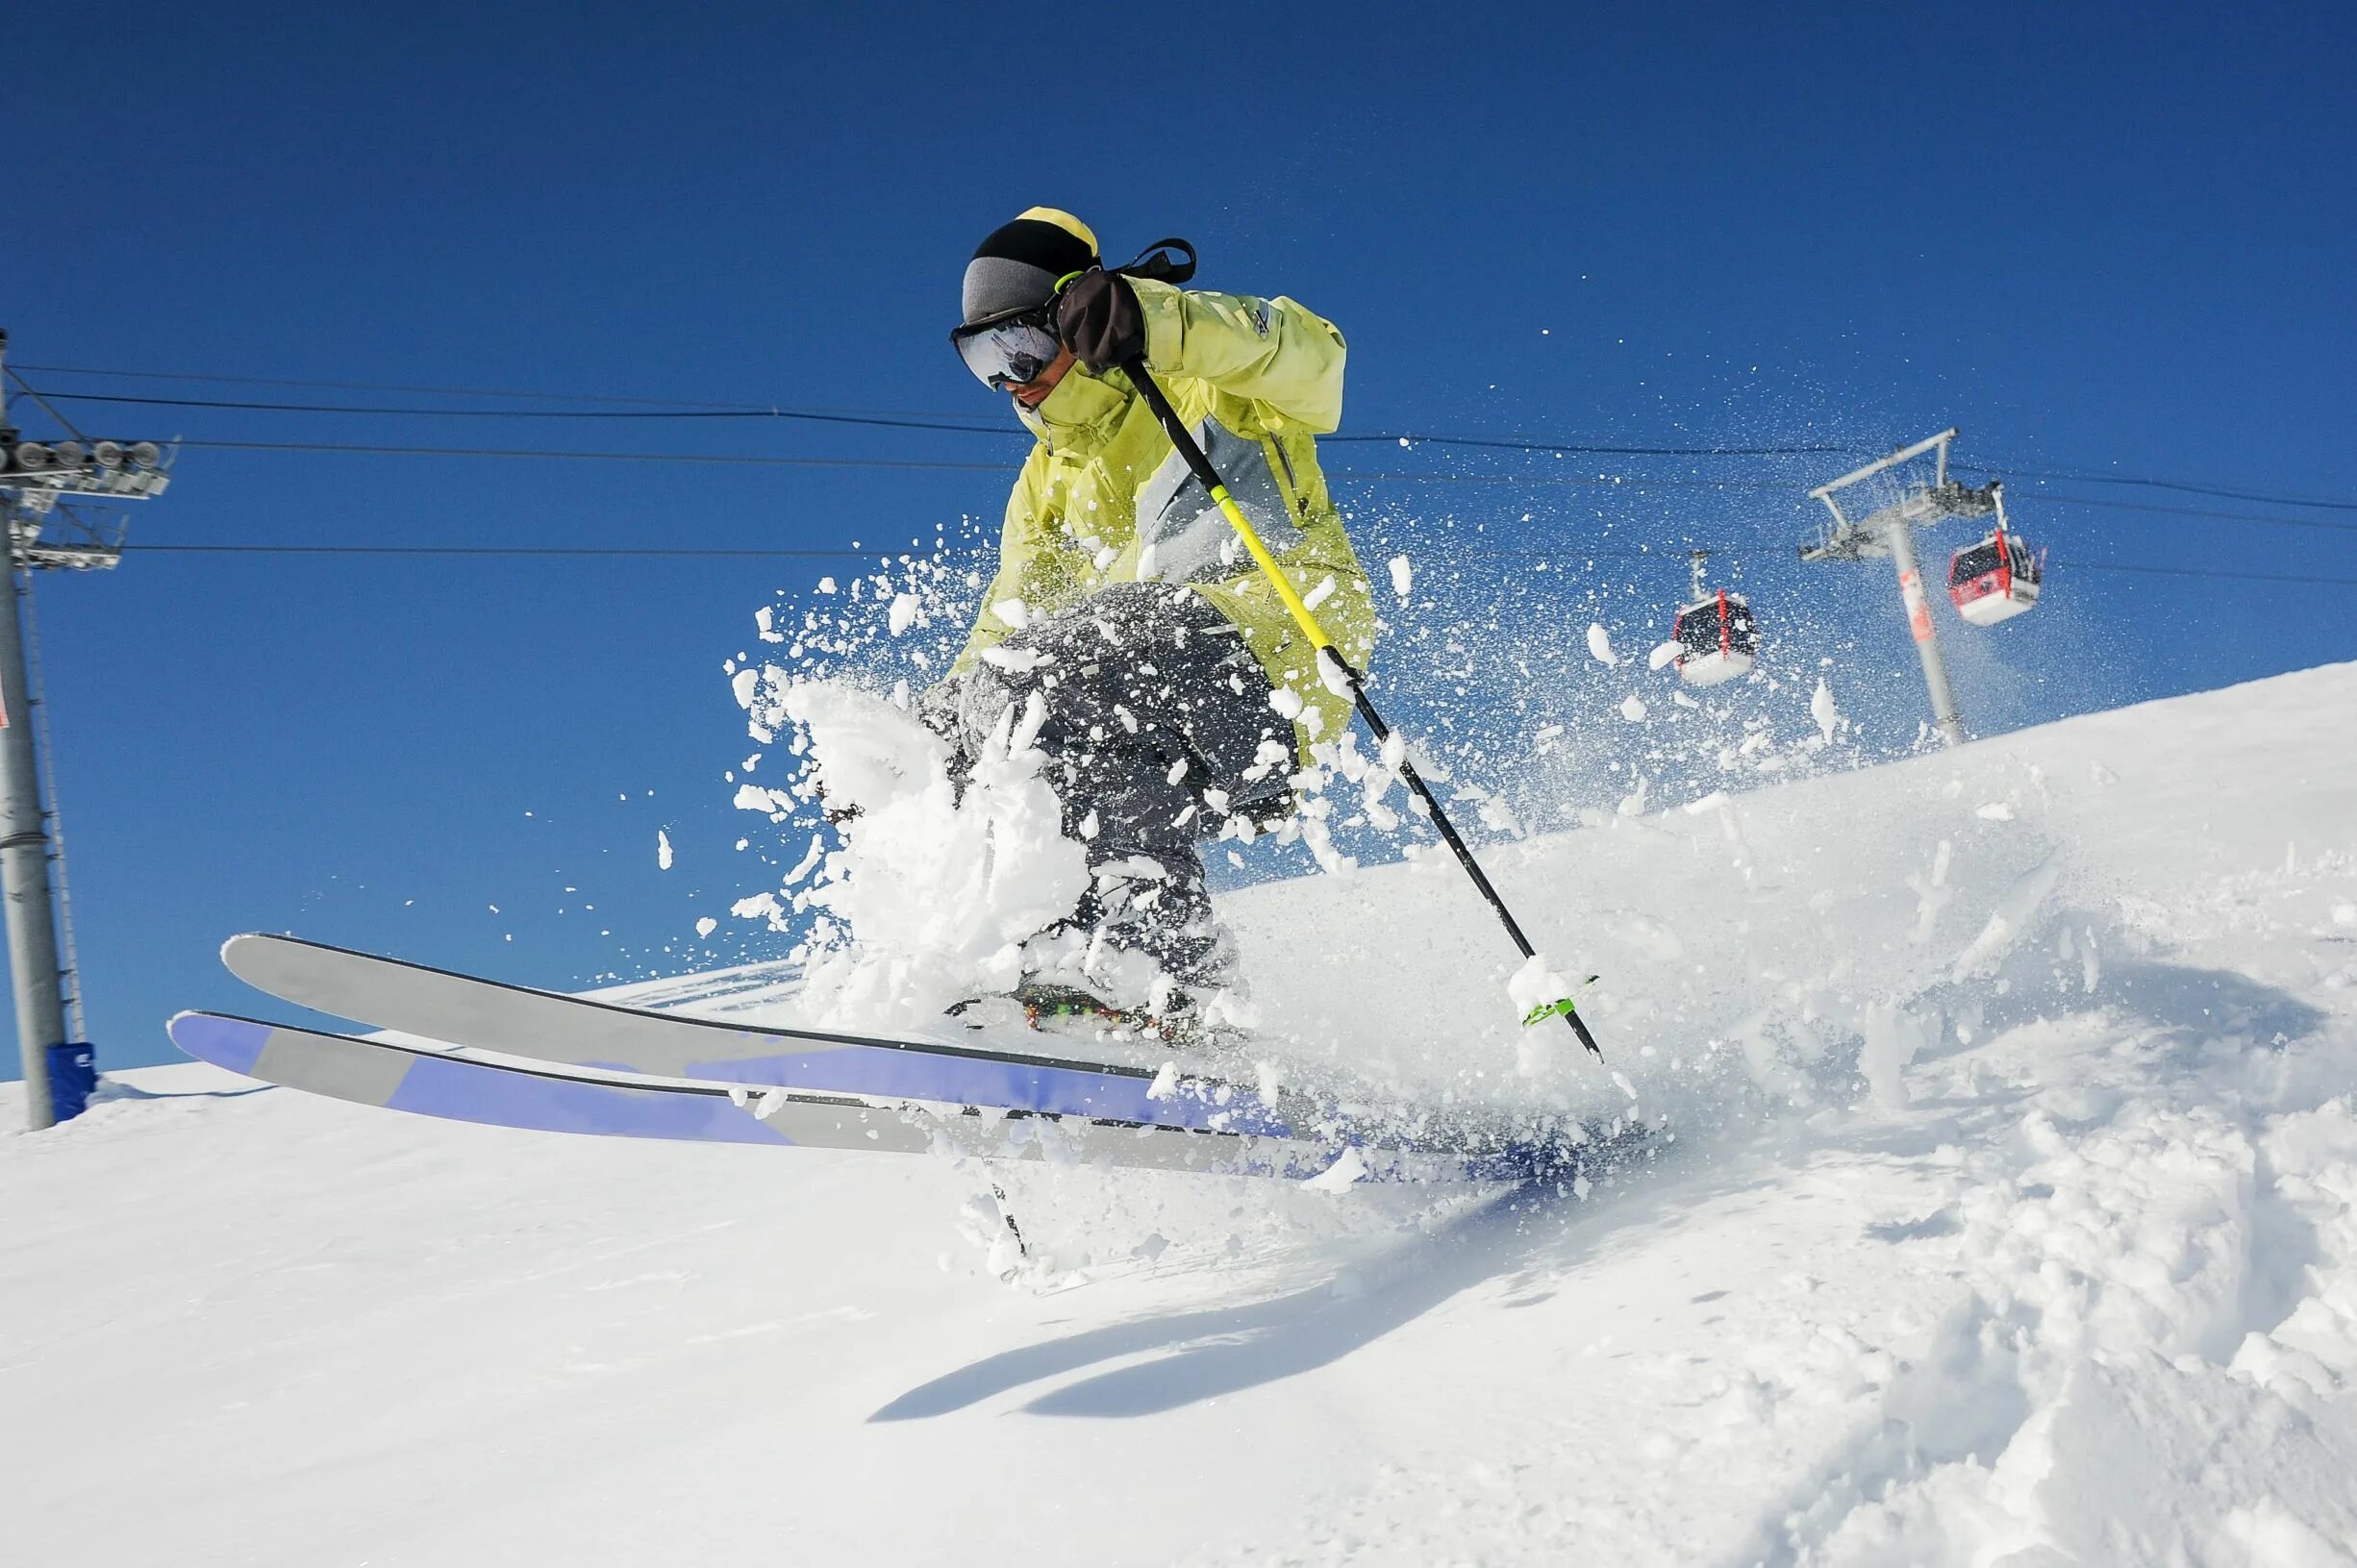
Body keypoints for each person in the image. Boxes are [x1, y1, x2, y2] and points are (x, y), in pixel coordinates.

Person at [925, 207, 1375, 1024]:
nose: (1008, 378)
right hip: (1144, 700)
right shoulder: (1046, 476)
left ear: (1074, 311)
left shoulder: (1198, 373)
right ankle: (1102, 986)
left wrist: (1157, 320)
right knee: (991, 728)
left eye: (1019, 345)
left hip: (1279, 652)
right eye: (981, 358)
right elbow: (1008, 621)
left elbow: (1315, 357)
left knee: (1080, 651)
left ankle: (1156, 953)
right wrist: (932, 727)